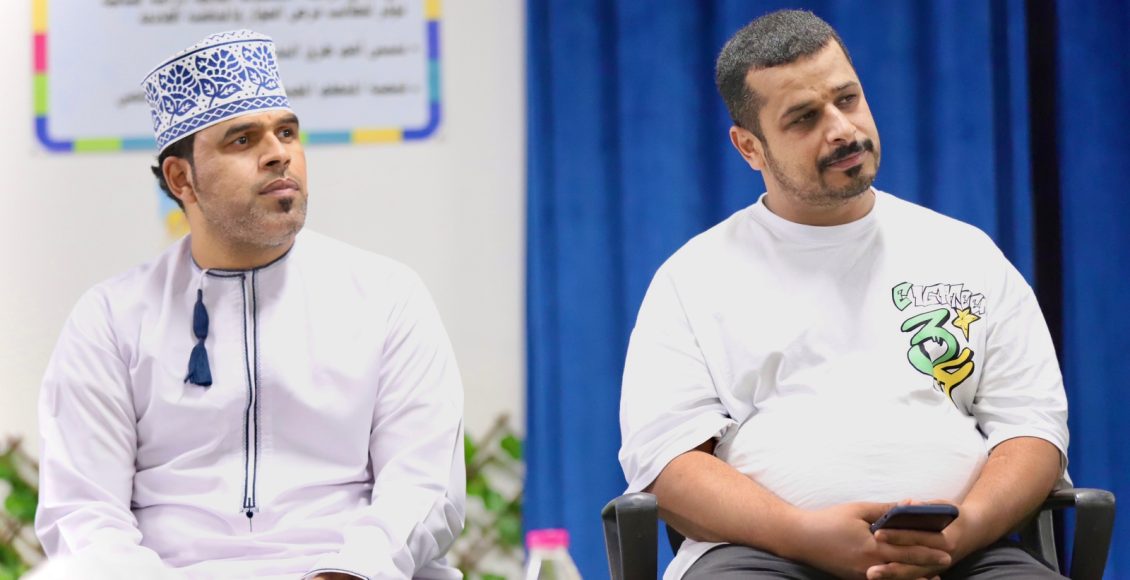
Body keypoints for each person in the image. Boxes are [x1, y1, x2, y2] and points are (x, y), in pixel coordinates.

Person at [618, 10, 1068, 580]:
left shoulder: (966, 253)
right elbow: (666, 461)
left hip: (964, 551)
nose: (841, 129)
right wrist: (801, 534)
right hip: (766, 555)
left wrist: (962, 532)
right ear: (750, 147)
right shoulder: (692, 278)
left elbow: (1033, 428)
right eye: (804, 118)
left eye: (848, 99)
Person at [35, 30, 465, 580]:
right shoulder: (110, 318)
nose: (279, 154)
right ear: (182, 179)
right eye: (243, 140)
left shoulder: (387, 296)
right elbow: (83, 511)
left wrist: (350, 571)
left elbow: (423, 485)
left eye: (287, 132)